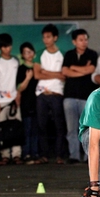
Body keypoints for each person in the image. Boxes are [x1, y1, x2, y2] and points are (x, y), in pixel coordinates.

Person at [62, 28, 99, 164]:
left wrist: (74, 68)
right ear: (74, 41)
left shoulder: (92, 54)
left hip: (86, 96)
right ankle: (74, 155)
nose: (84, 42)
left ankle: (89, 155)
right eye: (81, 40)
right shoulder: (69, 54)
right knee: (71, 128)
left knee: (87, 127)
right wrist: (82, 70)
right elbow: (65, 71)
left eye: (86, 39)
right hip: (70, 95)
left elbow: (91, 69)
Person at [34, 24, 66, 164]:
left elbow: (64, 75)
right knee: (42, 125)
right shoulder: (40, 53)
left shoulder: (62, 54)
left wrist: (45, 72)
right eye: (44, 37)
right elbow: (36, 74)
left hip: (57, 92)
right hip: (42, 93)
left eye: (48, 37)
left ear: (55, 38)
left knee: (59, 125)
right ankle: (44, 155)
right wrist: (55, 74)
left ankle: (59, 155)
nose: (45, 40)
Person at [0, 33, 22, 164]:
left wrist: (18, 94)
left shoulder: (16, 60)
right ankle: (5, 155)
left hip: (14, 99)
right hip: (1, 100)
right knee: (2, 129)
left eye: (9, 46)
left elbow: (18, 80)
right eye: (4, 47)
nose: (7, 49)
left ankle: (16, 154)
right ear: (0, 47)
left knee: (16, 128)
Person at [16, 42, 40, 164]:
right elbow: (19, 88)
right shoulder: (21, 68)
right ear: (22, 55)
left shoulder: (37, 67)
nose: (28, 54)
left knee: (36, 129)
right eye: (26, 52)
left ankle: (35, 153)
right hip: (26, 102)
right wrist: (28, 78)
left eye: (30, 51)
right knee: (27, 128)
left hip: (37, 102)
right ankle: (26, 154)